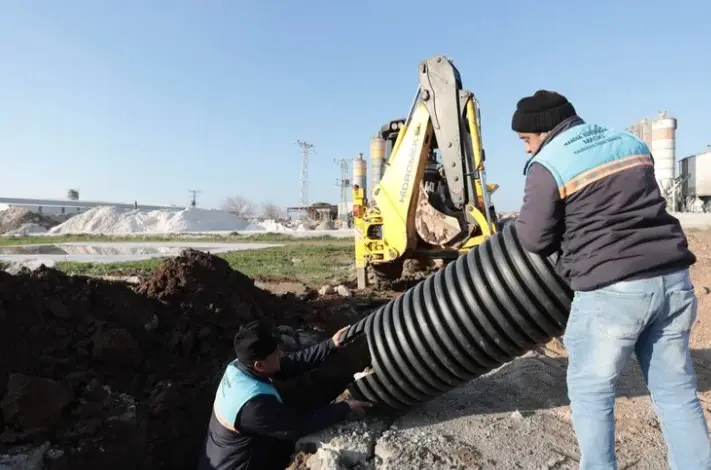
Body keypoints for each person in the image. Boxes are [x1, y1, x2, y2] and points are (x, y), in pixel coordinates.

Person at [511, 90, 711, 470]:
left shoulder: (549, 163)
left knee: (592, 393)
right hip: (673, 280)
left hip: (614, 292)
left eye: (525, 140)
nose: (525, 150)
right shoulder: (629, 142)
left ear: (542, 131)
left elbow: (534, 238)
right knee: (676, 392)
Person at [196, 320, 372, 470]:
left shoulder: (239, 366)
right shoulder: (254, 407)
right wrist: (345, 407)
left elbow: (290, 364)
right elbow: (299, 425)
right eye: (275, 353)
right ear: (259, 365)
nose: (281, 353)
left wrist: (330, 344)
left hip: (220, 452)